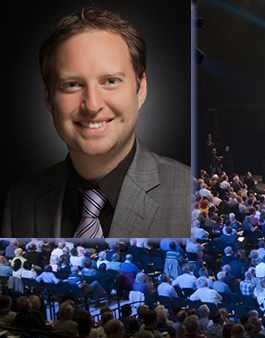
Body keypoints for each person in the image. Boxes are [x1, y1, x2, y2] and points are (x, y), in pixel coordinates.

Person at [2, 7, 189, 237]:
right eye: (72, 84)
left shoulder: (190, 196)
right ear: (49, 100)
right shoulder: (20, 201)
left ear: (140, 90)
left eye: (110, 81)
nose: (91, 105)